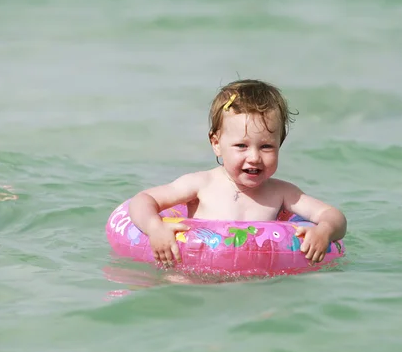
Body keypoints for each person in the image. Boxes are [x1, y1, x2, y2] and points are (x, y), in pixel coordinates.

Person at [128, 79, 347, 267]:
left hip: (257, 276)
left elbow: (332, 215)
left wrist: (324, 231)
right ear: (216, 143)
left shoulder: (282, 193)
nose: (254, 157)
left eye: (266, 147)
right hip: (195, 270)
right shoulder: (201, 184)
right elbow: (143, 200)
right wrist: (155, 228)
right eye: (241, 146)